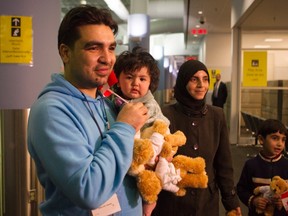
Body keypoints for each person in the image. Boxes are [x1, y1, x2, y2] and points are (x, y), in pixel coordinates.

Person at [27, 5, 149, 216]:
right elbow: (89, 190)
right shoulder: (51, 111)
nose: (107, 58)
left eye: (111, 48)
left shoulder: (106, 102)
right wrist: (125, 127)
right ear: (66, 53)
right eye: (94, 48)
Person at [152, 59, 241, 216]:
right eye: (194, 79)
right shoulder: (167, 114)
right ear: (183, 82)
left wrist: (231, 201)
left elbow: (224, 164)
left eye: (205, 79)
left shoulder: (217, 116)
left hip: (206, 201)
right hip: (173, 201)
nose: (201, 85)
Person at [237, 119, 288, 216]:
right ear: (261, 140)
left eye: (283, 139)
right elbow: (241, 189)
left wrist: (284, 201)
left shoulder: (286, 165)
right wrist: (254, 200)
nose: (280, 144)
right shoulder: (251, 165)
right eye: (275, 138)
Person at [112, 47, 170, 131]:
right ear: (118, 81)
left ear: (150, 83)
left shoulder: (149, 106)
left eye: (142, 79)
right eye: (129, 77)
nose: (135, 83)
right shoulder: (115, 103)